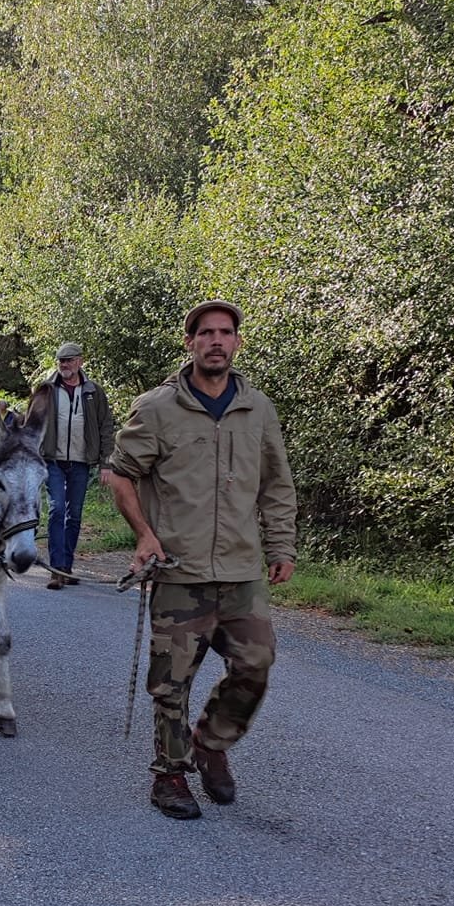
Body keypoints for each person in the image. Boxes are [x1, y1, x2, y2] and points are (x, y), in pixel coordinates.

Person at [105, 301, 297, 820]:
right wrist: (144, 536)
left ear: (237, 342)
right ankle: (169, 775)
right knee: (171, 684)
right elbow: (119, 475)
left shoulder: (258, 409)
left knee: (256, 663)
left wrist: (281, 546)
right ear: (189, 342)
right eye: (206, 333)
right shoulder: (156, 408)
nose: (216, 340)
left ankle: (210, 743)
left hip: (241, 571)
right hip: (178, 571)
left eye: (225, 332)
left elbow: (277, 485)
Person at [41, 344, 117, 588]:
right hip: (53, 460)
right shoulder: (46, 389)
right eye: (61, 361)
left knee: (74, 515)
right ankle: (56, 569)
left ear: (80, 362)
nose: (64, 365)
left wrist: (106, 463)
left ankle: (67, 566)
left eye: (69, 360)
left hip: (81, 461)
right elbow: (33, 422)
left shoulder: (94, 391)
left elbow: (106, 426)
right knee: (57, 510)